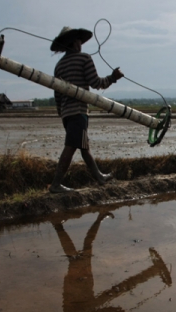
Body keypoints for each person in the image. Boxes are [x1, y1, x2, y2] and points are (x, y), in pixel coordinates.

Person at [49, 26, 124, 193]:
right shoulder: (84, 59)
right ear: (75, 42)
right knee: (71, 147)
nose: (81, 44)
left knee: (84, 147)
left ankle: (99, 177)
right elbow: (96, 83)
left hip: (67, 114)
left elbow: (57, 94)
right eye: (79, 41)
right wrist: (113, 77)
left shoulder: (59, 66)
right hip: (78, 112)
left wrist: (62, 113)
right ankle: (55, 185)